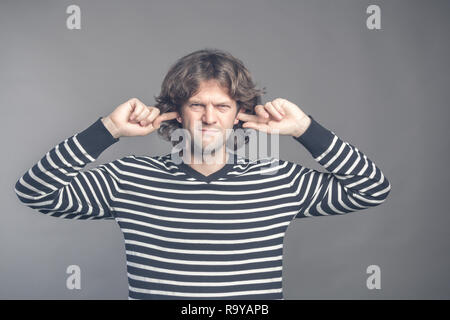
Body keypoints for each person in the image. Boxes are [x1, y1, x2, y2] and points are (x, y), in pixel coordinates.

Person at [14, 48, 391, 300]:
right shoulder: (128, 178)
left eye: (221, 106)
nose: (209, 118)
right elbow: (35, 191)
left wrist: (304, 128)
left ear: (239, 112)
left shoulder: (279, 179)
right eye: (197, 104)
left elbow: (372, 189)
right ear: (177, 111)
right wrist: (107, 129)